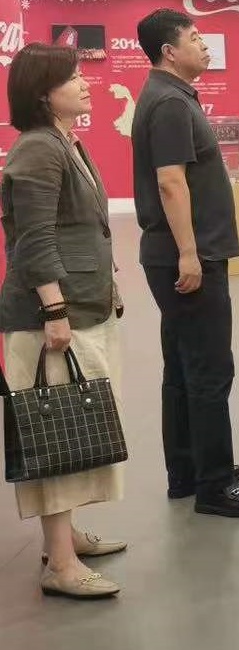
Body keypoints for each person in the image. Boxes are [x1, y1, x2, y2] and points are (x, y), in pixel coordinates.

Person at [132, 9, 239, 518]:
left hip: (179, 254)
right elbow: (171, 181)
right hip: (190, 257)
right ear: (170, 51)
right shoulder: (170, 102)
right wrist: (189, 252)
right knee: (211, 369)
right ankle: (215, 483)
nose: (205, 44)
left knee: (183, 367)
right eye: (195, 38)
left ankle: (186, 472)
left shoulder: (169, 95)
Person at [0, 44, 126, 599]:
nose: (86, 82)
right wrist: (53, 308)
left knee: (75, 427)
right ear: (43, 93)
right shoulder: (37, 148)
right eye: (73, 77)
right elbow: (33, 237)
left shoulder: (65, 142)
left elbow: (84, 226)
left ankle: (63, 539)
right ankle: (61, 564)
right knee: (56, 431)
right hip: (51, 315)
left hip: (83, 304)